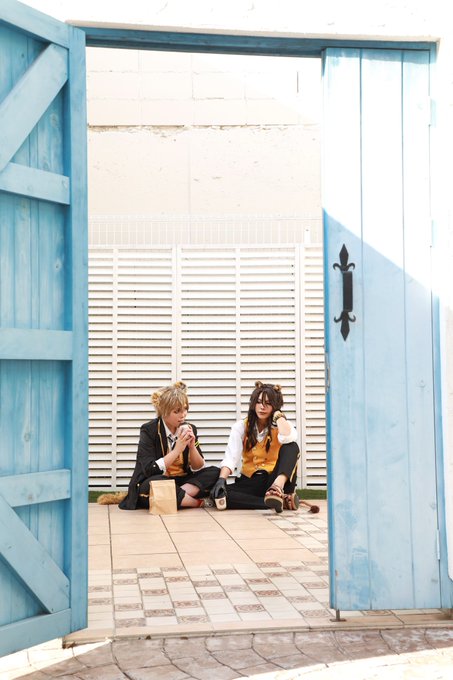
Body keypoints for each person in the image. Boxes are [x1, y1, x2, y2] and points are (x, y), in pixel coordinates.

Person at [118, 381, 219, 510]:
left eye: (185, 409)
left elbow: (198, 467)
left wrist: (192, 447)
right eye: (177, 411)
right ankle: (197, 503)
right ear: (164, 412)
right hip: (157, 479)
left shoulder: (190, 428)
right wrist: (177, 450)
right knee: (155, 484)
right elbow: (149, 469)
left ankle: (175, 495)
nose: (183, 415)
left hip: (182, 481)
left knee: (216, 472)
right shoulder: (149, 430)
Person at [210, 381, 300, 513]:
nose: (262, 407)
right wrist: (221, 479)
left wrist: (278, 415)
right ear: (253, 404)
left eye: (268, 403)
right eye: (258, 402)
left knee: (291, 446)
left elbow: (289, 437)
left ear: (275, 406)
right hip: (250, 482)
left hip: (274, 479)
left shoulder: (282, 426)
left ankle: (276, 490)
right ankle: (277, 501)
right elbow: (231, 457)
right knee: (220, 496)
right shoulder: (241, 427)